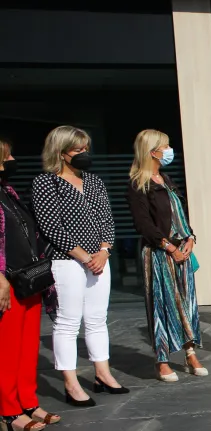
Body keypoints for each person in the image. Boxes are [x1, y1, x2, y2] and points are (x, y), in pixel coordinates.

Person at [32, 125, 128, 406]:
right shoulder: (45, 183)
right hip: (65, 260)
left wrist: (104, 251)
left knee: (97, 318)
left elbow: (107, 219)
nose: (84, 153)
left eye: (86, 148)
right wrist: (84, 256)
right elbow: (51, 227)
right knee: (68, 322)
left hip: (99, 259)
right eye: (78, 149)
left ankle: (103, 374)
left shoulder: (94, 181)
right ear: (61, 152)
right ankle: (71, 384)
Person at [125, 129, 207, 382]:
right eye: (165, 146)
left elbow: (180, 214)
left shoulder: (167, 179)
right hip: (160, 253)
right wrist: (169, 247)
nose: (169, 151)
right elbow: (143, 224)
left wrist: (191, 238)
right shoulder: (138, 184)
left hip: (182, 250)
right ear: (152, 151)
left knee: (187, 304)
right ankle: (161, 360)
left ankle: (190, 353)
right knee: (162, 305)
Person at [0, 138, 59, 431]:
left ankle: (28, 401)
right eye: (7, 155)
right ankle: (9, 412)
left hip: (28, 279)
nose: (12, 160)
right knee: (8, 348)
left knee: (27, 346)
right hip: (7, 281)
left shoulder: (8, 192)